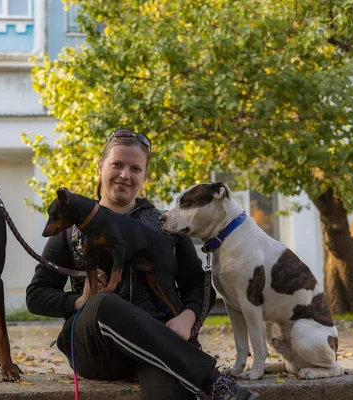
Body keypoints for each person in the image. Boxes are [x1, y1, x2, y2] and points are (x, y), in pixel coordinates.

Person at [26, 129, 258, 400]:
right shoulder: (71, 227)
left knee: (170, 390)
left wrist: (188, 316)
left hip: (160, 345)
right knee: (105, 302)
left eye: (135, 168)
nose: (125, 174)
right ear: (100, 166)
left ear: (144, 175)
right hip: (96, 349)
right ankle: (218, 385)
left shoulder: (166, 226)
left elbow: (197, 282)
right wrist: (80, 301)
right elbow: (36, 296)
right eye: (117, 165)